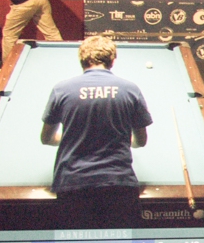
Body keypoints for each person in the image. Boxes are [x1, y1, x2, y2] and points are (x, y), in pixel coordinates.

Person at [40, 36, 151, 229]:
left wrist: (70, 137)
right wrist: (127, 140)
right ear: (112, 60)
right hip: (119, 184)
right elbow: (141, 142)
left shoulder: (61, 89)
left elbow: (46, 138)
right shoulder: (130, 89)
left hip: (72, 184)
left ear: (81, 60)